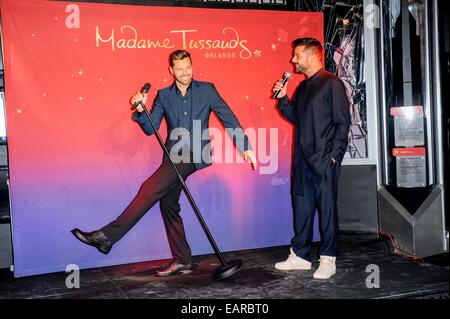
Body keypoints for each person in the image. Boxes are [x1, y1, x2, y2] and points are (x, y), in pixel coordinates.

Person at [72, 49, 257, 277]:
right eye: (180, 69)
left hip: (196, 152)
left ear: (192, 65)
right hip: (173, 154)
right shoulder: (163, 95)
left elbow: (228, 117)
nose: (185, 72)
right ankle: (183, 260)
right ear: (171, 70)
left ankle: (107, 237)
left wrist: (245, 147)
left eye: (188, 67)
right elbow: (151, 129)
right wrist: (140, 109)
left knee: (149, 189)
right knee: (168, 204)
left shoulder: (207, 90)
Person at [272, 38, 350, 279]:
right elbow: (296, 117)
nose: (293, 60)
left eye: (297, 55)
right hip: (303, 161)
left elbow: (342, 123)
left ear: (312, 56)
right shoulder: (303, 87)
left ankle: (328, 258)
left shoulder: (332, 83)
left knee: (326, 209)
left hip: (324, 160)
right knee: (302, 208)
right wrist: (283, 97)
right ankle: (301, 256)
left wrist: (334, 157)